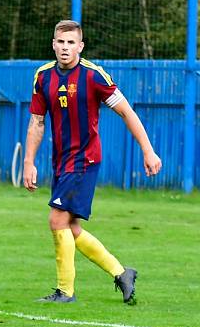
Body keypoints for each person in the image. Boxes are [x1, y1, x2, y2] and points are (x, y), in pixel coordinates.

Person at [23, 20, 162, 304]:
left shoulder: (93, 76)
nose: (65, 47)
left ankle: (65, 292)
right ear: (53, 44)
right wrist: (28, 162)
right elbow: (37, 122)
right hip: (61, 162)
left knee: (56, 219)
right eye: (60, 42)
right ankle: (121, 273)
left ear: (80, 46)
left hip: (84, 159)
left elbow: (127, 112)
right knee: (70, 227)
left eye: (71, 42)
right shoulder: (43, 77)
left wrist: (148, 150)